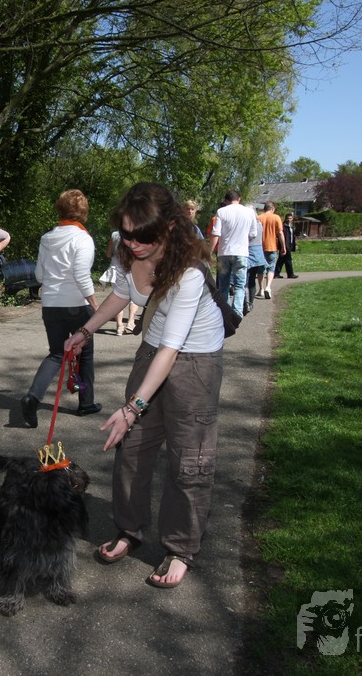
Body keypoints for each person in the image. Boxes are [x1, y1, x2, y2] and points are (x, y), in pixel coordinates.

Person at [65, 182, 225, 590]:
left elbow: (173, 348)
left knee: (188, 460)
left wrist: (133, 406)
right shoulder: (128, 251)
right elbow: (121, 295)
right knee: (132, 449)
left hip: (195, 362)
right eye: (127, 233)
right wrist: (84, 331)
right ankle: (129, 529)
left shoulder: (189, 271)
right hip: (151, 351)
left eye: (143, 236)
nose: (133, 243)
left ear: (169, 227)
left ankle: (179, 548)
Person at [21, 190, 101, 429]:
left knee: (56, 353)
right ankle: (86, 403)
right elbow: (81, 274)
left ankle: (32, 397)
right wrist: (95, 305)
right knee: (85, 354)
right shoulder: (83, 238)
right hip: (76, 304)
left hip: (50, 304)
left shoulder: (47, 238)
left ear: (59, 209)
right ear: (84, 211)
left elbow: (39, 275)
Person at [210, 191, 258, 317]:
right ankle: (237, 313)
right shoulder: (249, 212)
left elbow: (216, 233)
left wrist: (209, 252)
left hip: (224, 253)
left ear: (226, 200)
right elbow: (253, 234)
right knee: (240, 285)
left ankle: (225, 312)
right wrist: (244, 241)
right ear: (239, 199)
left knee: (224, 285)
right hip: (241, 253)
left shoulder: (221, 212)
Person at [102, 231, 139, 335]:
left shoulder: (114, 235)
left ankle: (119, 326)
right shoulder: (137, 233)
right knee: (134, 297)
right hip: (131, 270)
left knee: (118, 297)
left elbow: (108, 254)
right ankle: (130, 322)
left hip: (116, 270)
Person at [257, 201, 285, 299]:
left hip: (260, 247)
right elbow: (280, 233)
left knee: (260, 269)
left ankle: (261, 289)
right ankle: (268, 287)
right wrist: (283, 246)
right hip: (272, 246)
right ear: (272, 208)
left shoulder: (259, 218)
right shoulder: (276, 218)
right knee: (271, 268)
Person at [245, 208, 267, 315]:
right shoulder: (259, 224)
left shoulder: (250, 225)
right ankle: (250, 303)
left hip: (248, 252)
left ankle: (246, 303)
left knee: (244, 280)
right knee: (251, 279)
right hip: (257, 253)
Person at [275, 213, 299, 279]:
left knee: (281, 260)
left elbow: (292, 237)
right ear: (285, 219)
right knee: (288, 260)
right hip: (285, 246)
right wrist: (283, 246)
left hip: (289, 245)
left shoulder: (291, 227)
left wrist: (294, 245)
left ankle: (276, 273)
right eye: (288, 218)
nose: (289, 220)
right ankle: (290, 274)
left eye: (290, 218)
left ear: (292, 219)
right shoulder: (283, 226)